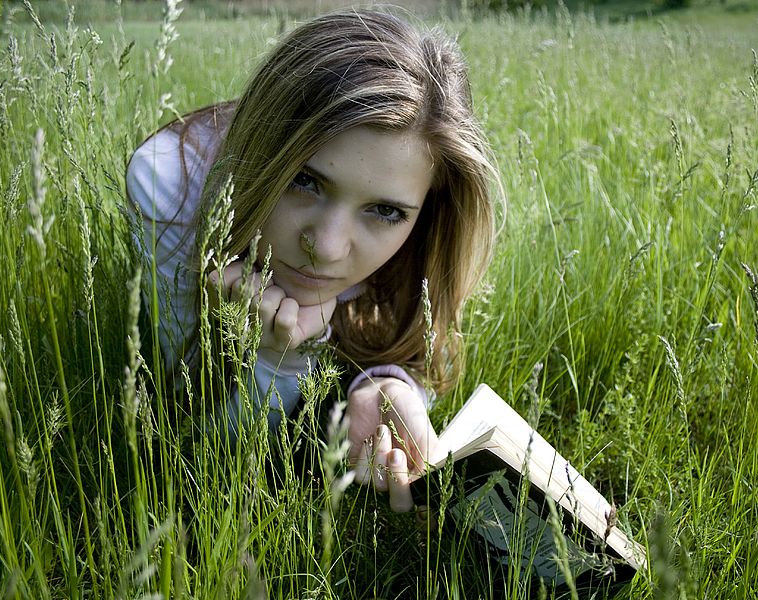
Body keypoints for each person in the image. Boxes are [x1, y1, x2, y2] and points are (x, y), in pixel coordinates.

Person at [126, 8, 499, 513]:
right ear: (266, 154)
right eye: (305, 181)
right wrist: (268, 359)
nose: (325, 248)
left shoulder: (421, 233)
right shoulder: (169, 188)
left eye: (385, 211)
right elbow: (194, 442)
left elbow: (404, 341)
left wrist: (385, 384)